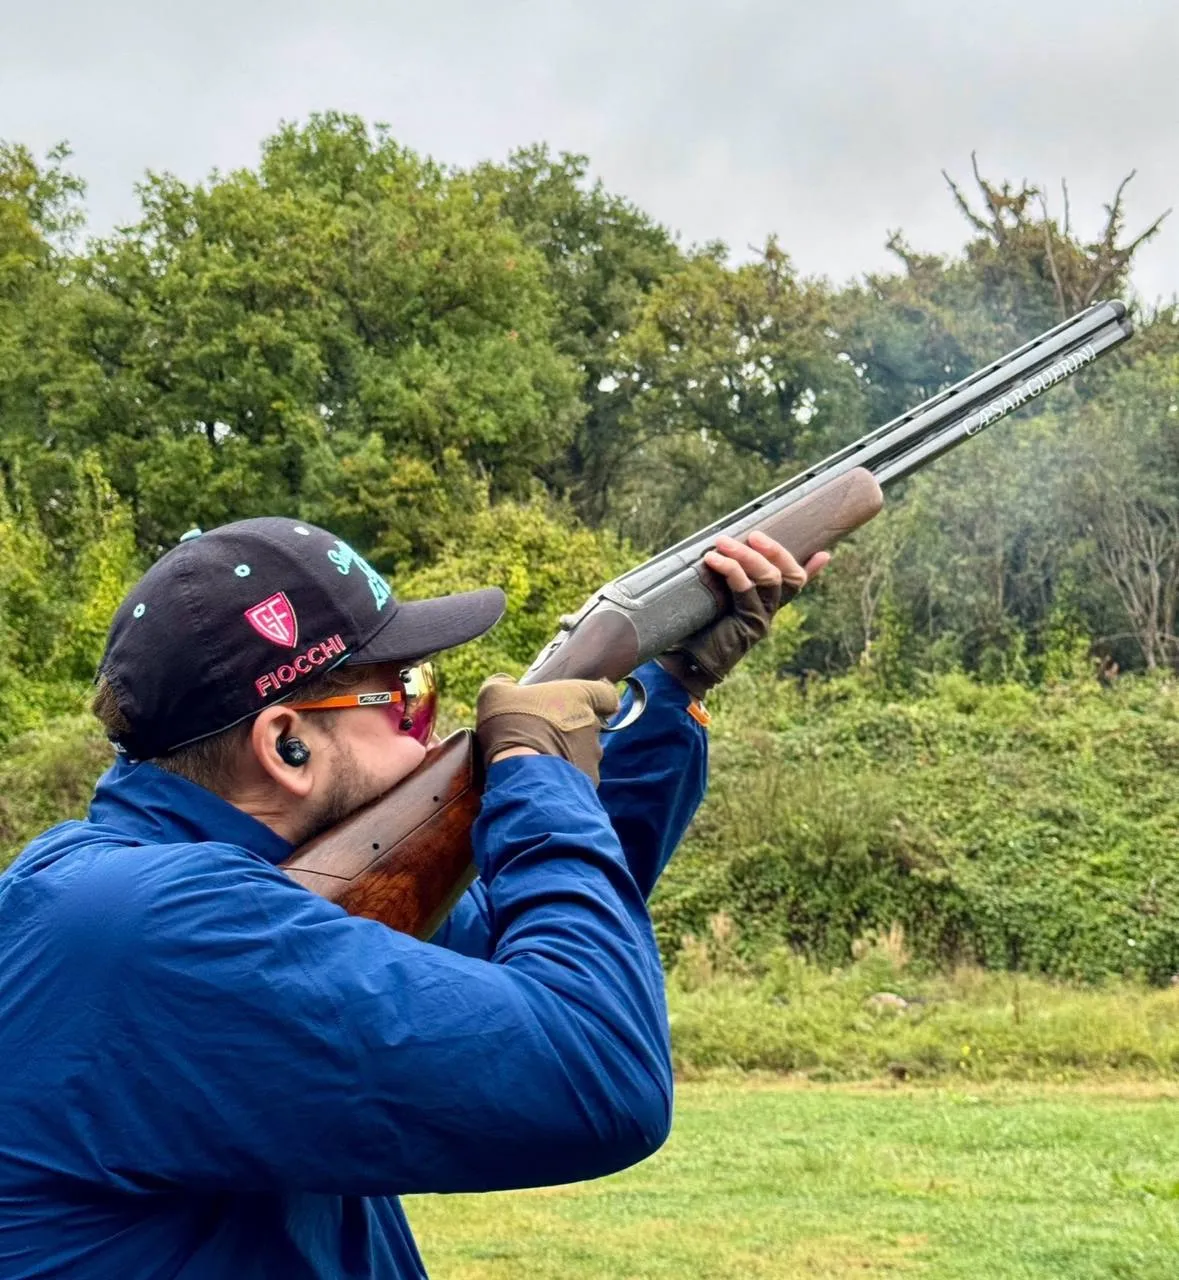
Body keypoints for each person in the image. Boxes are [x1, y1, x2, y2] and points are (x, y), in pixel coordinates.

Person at [0, 516, 824, 1279]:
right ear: (286, 744)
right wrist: (536, 770)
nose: (435, 729)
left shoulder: (153, 896)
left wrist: (666, 689)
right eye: (409, 695)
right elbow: (597, 1070)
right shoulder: (160, 927)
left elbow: (537, 936)